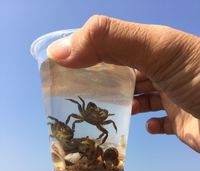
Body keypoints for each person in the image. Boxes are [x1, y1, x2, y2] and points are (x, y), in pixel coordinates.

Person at [47, 15, 200, 153]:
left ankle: (99, 145)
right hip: (85, 117)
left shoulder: (103, 119)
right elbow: (80, 102)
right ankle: (72, 133)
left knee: (106, 130)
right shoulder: (85, 111)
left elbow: (110, 123)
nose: (99, 110)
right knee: (77, 114)